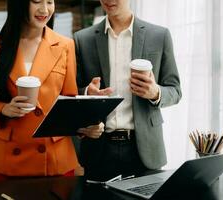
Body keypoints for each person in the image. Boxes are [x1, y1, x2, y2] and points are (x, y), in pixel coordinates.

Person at [0, 0, 104, 181]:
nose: (45, 9)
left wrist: (86, 124)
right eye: (37, 1)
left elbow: (69, 102)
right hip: (9, 160)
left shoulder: (66, 45)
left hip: (55, 159)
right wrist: (3, 109)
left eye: (50, 1)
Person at [74, 0, 182, 180]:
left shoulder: (159, 35)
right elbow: (71, 93)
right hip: (99, 151)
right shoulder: (82, 39)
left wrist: (155, 93)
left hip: (145, 151)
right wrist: (86, 92)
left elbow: (175, 90)